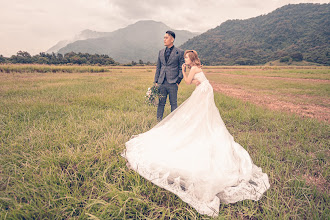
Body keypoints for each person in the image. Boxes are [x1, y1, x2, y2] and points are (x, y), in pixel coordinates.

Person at [122, 50, 270, 217]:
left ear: (191, 59)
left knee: (195, 117)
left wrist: (184, 70)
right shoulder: (198, 67)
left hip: (203, 92)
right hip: (205, 91)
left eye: (186, 57)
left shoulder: (192, 68)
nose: (184, 59)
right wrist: (192, 75)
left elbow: (186, 81)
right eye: (185, 57)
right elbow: (197, 82)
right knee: (200, 116)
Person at [154, 30, 200, 121]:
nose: (164, 39)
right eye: (164, 37)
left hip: (173, 82)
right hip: (161, 81)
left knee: (173, 103)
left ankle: (174, 122)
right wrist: (156, 81)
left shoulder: (179, 52)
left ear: (172, 39)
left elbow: (181, 68)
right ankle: (158, 121)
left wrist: (178, 81)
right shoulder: (160, 52)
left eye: (166, 38)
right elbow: (158, 67)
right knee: (161, 103)